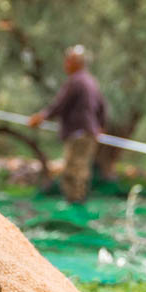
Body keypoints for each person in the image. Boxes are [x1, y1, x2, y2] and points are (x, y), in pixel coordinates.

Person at [28, 45, 106, 203]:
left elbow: (60, 105)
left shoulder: (77, 81)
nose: (66, 64)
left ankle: (75, 203)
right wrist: (99, 127)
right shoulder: (90, 82)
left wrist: (42, 117)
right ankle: (78, 201)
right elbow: (102, 107)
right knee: (81, 169)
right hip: (88, 134)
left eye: (68, 61)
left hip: (79, 134)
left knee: (73, 170)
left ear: (77, 63)